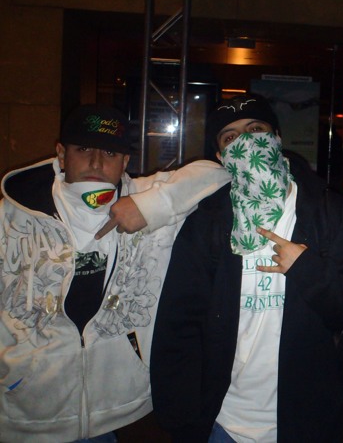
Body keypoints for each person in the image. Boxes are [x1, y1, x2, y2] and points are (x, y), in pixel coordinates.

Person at [150, 94, 343, 442]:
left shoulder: (327, 211)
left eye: (256, 129)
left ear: (277, 138)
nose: (246, 142)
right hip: (224, 419)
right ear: (221, 156)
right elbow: (180, 321)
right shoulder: (208, 221)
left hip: (305, 418)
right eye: (231, 137)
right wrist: (183, 416)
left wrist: (308, 270)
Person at [0, 104, 230, 442]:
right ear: (61, 154)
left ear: (125, 162)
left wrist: (151, 206)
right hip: (28, 413)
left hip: (116, 412)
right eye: (84, 149)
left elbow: (218, 172)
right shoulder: (13, 216)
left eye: (109, 152)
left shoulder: (145, 195)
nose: (96, 162)